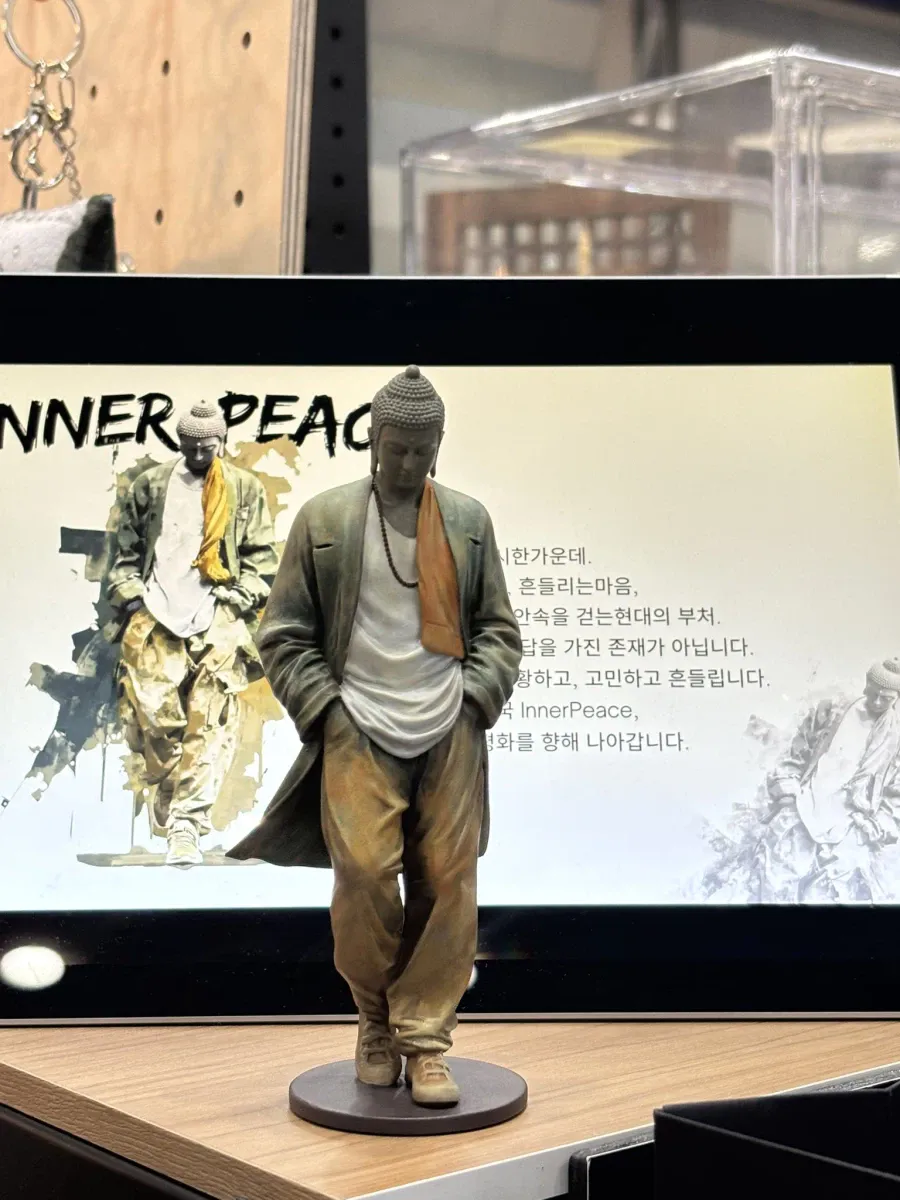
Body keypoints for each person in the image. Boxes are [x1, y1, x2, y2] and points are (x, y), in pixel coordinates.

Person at [229, 366, 522, 1106]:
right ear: (372, 440)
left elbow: (498, 630)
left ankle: (425, 1041)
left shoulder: (467, 520)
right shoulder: (325, 519)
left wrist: (474, 698)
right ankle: (375, 1019)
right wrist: (326, 708)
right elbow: (284, 632)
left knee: (448, 881)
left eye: (421, 451)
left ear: (438, 447)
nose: (407, 463)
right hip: (356, 722)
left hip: (450, 723)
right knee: (361, 874)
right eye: (396, 449)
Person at [107, 402, 278, 868]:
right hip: (157, 615)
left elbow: (262, 559)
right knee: (155, 722)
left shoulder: (243, 488)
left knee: (211, 723)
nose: (200, 454)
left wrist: (237, 599)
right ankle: (172, 804)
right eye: (191, 446)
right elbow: (125, 554)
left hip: (218, 618)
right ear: (179, 442)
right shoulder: (151, 485)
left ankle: (187, 825)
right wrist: (134, 600)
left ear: (221, 441)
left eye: (208, 446)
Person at [759, 658, 900, 900]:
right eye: (873, 693)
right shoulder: (833, 711)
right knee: (775, 886)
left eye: (886, 698)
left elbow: (896, 795)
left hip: (850, 828)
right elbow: (797, 752)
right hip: (805, 808)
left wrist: (869, 830)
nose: (877, 702)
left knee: (825, 898)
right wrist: (789, 796)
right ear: (866, 683)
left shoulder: (895, 738)